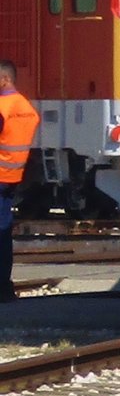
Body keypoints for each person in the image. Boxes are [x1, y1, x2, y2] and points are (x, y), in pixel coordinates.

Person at [0, 60, 38, 302]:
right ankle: (4, 287)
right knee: (3, 234)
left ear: (5, 79)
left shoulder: (3, 106)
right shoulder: (26, 107)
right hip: (12, 178)